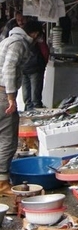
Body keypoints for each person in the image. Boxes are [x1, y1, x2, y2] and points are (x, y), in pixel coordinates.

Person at [0, 20, 44, 196]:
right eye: (38, 37)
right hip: (2, 94)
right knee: (8, 139)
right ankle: (2, 182)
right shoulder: (18, 44)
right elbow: (9, 68)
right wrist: (11, 97)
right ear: (34, 34)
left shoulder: (8, 39)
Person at [21, 33, 49, 111]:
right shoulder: (34, 38)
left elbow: (45, 51)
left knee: (31, 98)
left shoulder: (24, 37)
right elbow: (45, 52)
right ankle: (31, 115)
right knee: (31, 98)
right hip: (28, 69)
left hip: (33, 69)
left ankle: (34, 116)